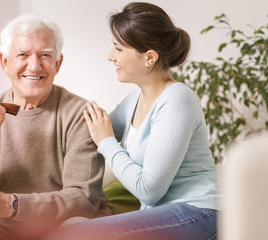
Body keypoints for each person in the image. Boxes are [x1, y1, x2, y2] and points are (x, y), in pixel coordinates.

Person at [47, 2, 220, 240]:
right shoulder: (136, 98)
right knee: (71, 224)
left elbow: (149, 190)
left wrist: (107, 142)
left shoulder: (178, 99)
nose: (110, 56)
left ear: (149, 57)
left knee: (73, 234)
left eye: (118, 48)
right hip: (166, 213)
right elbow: (90, 131)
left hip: (199, 213)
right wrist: (42, 103)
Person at [0, 14, 108, 240]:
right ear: (5, 62)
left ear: (58, 64)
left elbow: (82, 200)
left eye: (45, 55)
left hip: (64, 230)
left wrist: (10, 204)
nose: (34, 66)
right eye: (23, 55)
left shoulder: (81, 114)